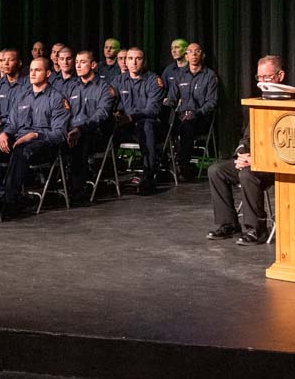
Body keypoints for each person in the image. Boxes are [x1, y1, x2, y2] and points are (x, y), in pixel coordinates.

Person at [206, 55, 284, 243]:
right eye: (260, 78)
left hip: (276, 164)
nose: (263, 83)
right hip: (253, 160)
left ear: (280, 76)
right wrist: (241, 153)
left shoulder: (291, 105)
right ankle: (229, 224)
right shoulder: (259, 104)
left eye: (268, 77)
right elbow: (247, 138)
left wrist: (256, 159)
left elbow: (285, 147)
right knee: (216, 170)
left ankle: (256, 229)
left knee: (248, 174)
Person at [0, 57, 70, 216]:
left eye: (38, 70)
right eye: (31, 70)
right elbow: (12, 123)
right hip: (20, 140)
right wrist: (4, 133)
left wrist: (35, 135)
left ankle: (11, 201)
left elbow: (60, 133)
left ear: (48, 73)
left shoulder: (57, 98)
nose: (33, 73)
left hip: (43, 144)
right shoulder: (22, 96)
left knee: (21, 150)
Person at [66, 50, 117, 199]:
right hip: (72, 130)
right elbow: (64, 112)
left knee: (79, 141)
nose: (78, 65)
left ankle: (77, 191)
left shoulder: (104, 88)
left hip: (95, 133)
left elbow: (101, 115)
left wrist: (80, 129)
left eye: (83, 62)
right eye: (76, 62)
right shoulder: (72, 86)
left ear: (93, 65)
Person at [115, 47, 165, 194]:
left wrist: (131, 117)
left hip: (148, 125)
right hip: (126, 126)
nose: (134, 62)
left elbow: (153, 110)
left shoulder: (153, 80)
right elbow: (112, 102)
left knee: (146, 125)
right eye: (130, 59)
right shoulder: (118, 81)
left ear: (144, 62)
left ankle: (148, 175)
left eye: (138, 59)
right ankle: (103, 172)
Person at [171, 42, 219, 177]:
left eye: (197, 51)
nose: (193, 54)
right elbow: (172, 98)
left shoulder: (209, 75)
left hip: (200, 118)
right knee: (166, 124)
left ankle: (182, 165)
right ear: (186, 56)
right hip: (181, 116)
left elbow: (212, 102)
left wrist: (197, 113)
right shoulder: (179, 75)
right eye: (190, 52)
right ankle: (165, 163)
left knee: (187, 126)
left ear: (203, 55)